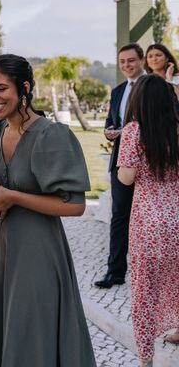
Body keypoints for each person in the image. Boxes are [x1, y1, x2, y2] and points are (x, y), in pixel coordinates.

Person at [0, 54, 95, 367]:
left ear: (24, 87)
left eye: (1, 88)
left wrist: (13, 197)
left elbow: (75, 205)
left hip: (38, 250)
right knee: (5, 330)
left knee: (31, 334)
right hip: (3, 247)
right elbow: (11, 184)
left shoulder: (51, 135)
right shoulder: (1, 130)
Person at [116, 74, 179, 367]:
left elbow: (126, 179)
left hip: (149, 223)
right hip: (177, 218)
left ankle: (146, 359)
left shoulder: (133, 131)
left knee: (144, 292)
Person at [95, 43, 146, 289]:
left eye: (131, 61)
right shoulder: (117, 92)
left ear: (142, 60)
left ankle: (149, 275)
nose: (126, 65)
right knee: (119, 217)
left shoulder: (155, 87)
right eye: (122, 62)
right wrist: (110, 132)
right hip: (121, 163)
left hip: (149, 165)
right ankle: (115, 272)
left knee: (149, 219)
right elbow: (110, 122)